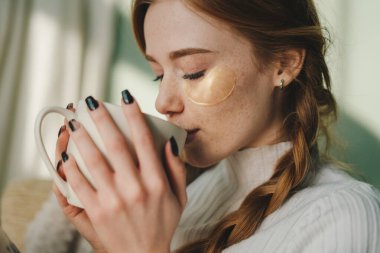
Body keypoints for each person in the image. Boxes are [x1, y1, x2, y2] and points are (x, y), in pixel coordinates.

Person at [26, 0, 380, 252]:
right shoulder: (179, 198)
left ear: (284, 64)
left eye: (193, 71)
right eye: (158, 76)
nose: (164, 103)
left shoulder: (346, 216)